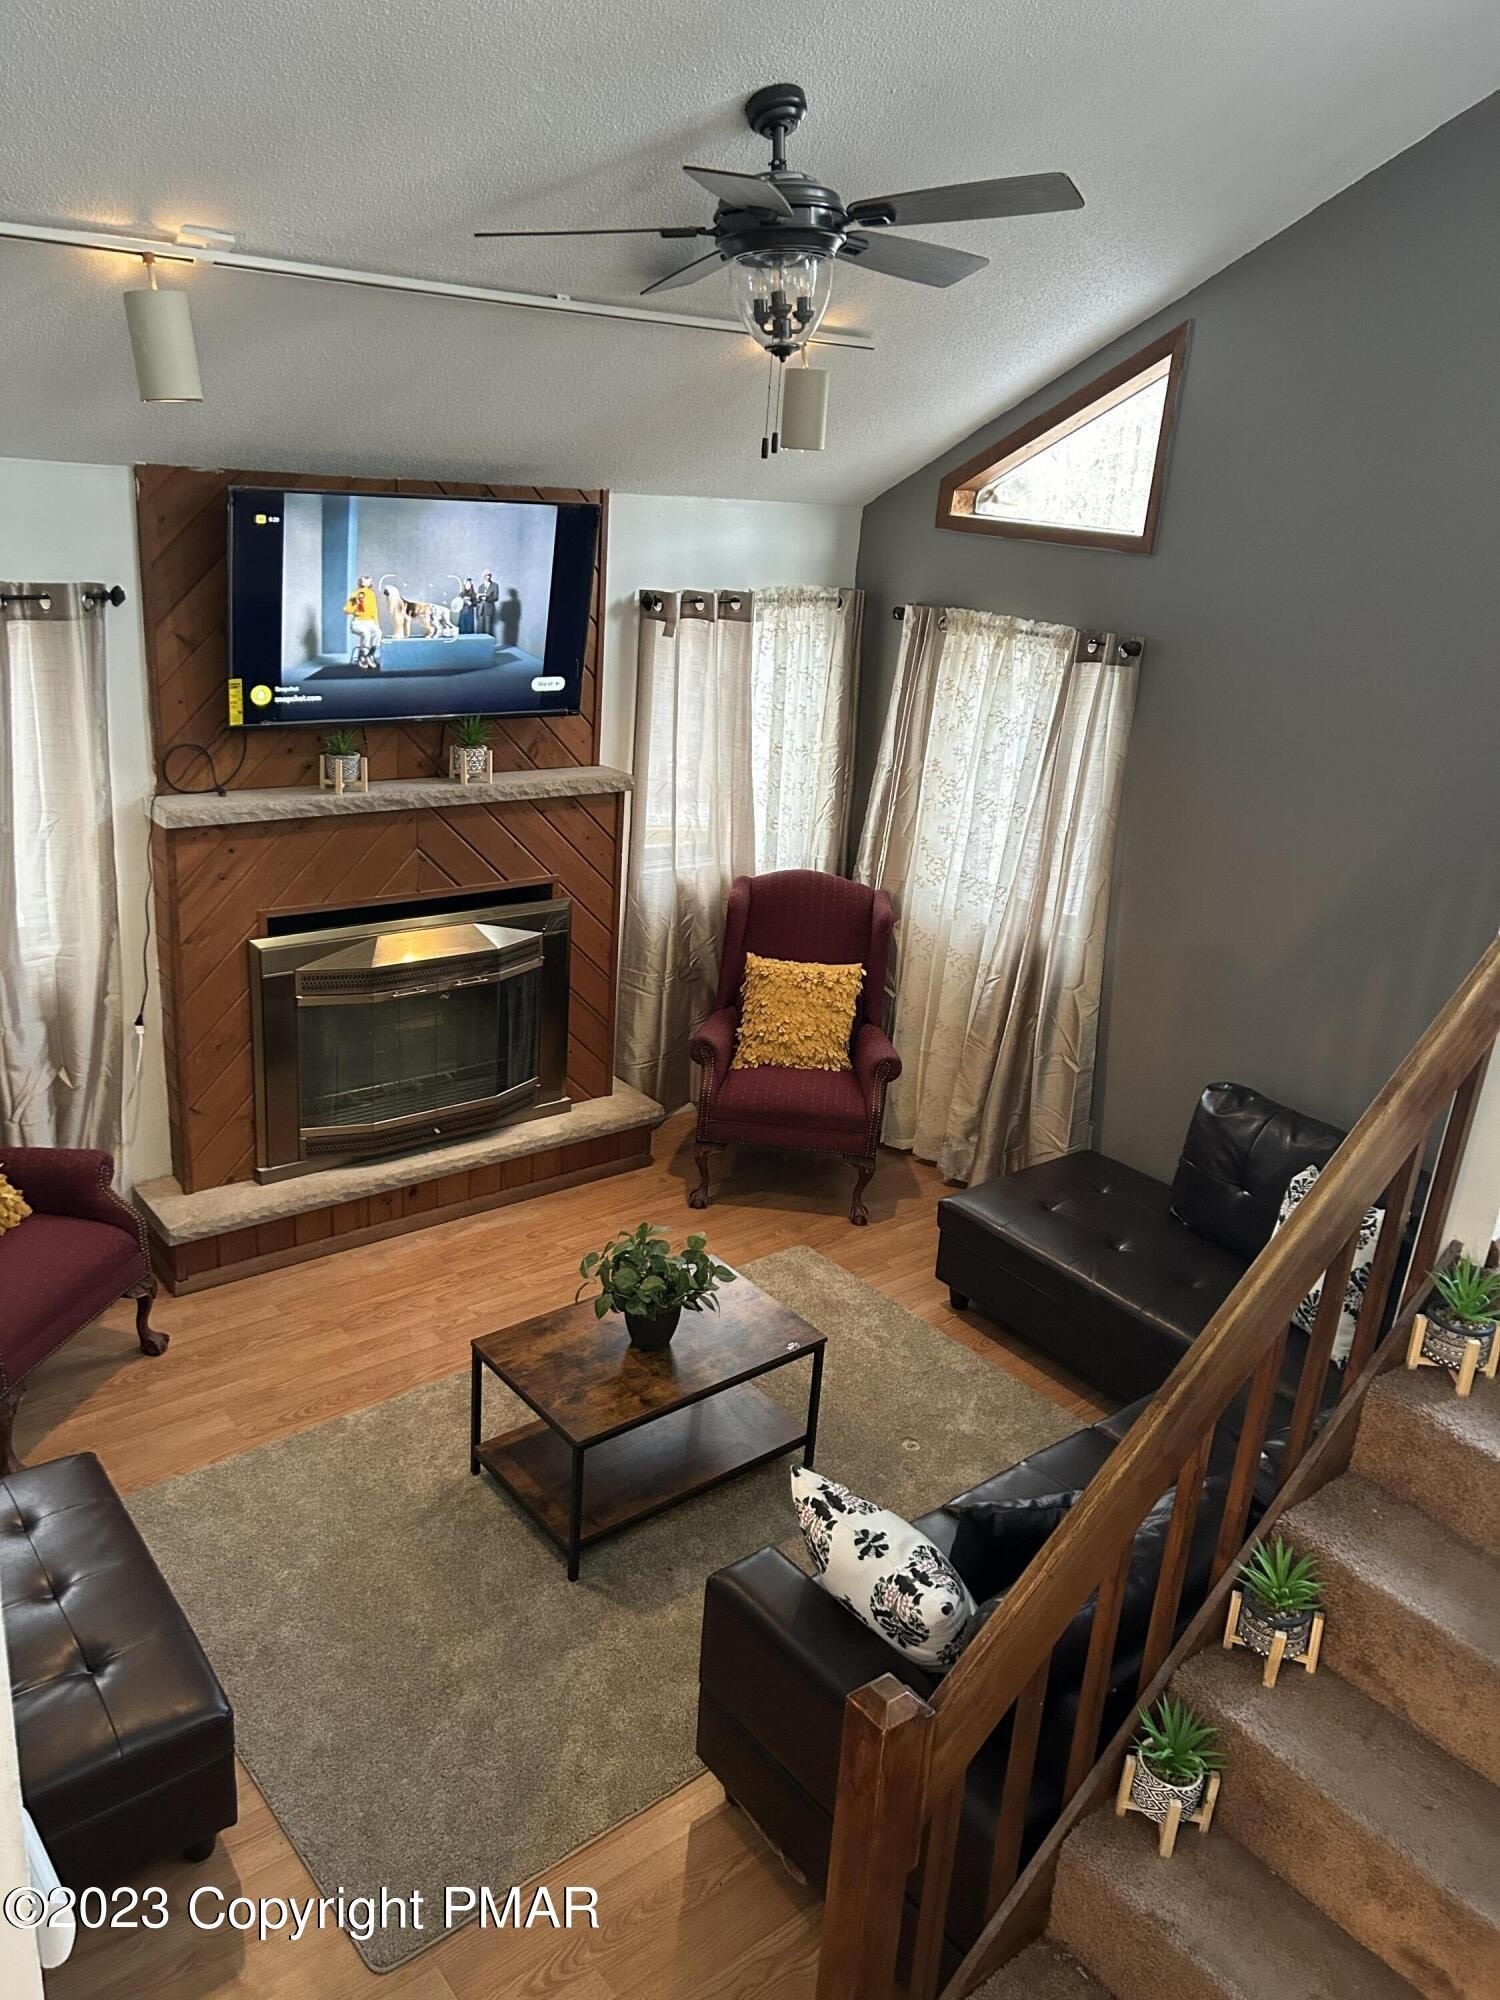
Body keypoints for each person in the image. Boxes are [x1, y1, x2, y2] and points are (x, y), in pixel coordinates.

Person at [342, 574, 381, 669]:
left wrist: (376, 624)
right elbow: (346, 610)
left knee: (378, 633)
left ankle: (370, 655)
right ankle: (362, 656)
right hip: (358, 622)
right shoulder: (355, 594)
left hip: (369, 621)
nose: (365, 581)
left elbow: (374, 610)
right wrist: (355, 604)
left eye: (367, 580)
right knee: (366, 633)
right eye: (363, 580)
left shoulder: (371, 594)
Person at [476, 569, 500, 638]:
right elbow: (478, 600)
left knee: (488, 629)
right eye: (486, 575)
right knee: (480, 629)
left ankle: (488, 643)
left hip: (489, 610)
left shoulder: (495, 585)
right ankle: (480, 643)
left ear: (491, 576)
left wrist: (486, 598)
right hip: (481, 610)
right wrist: (478, 598)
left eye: (489, 575)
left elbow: (496, 598)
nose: (488, 577)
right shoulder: (481, 587)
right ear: (483, 576)